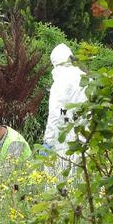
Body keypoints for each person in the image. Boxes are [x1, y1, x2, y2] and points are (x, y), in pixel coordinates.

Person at [43, 43, 87, 173]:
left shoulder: (61, 81)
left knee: (60, 177)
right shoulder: (84, 77)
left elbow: (57, 114)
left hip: (65, 136)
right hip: (86, 133)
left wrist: (49, 141)